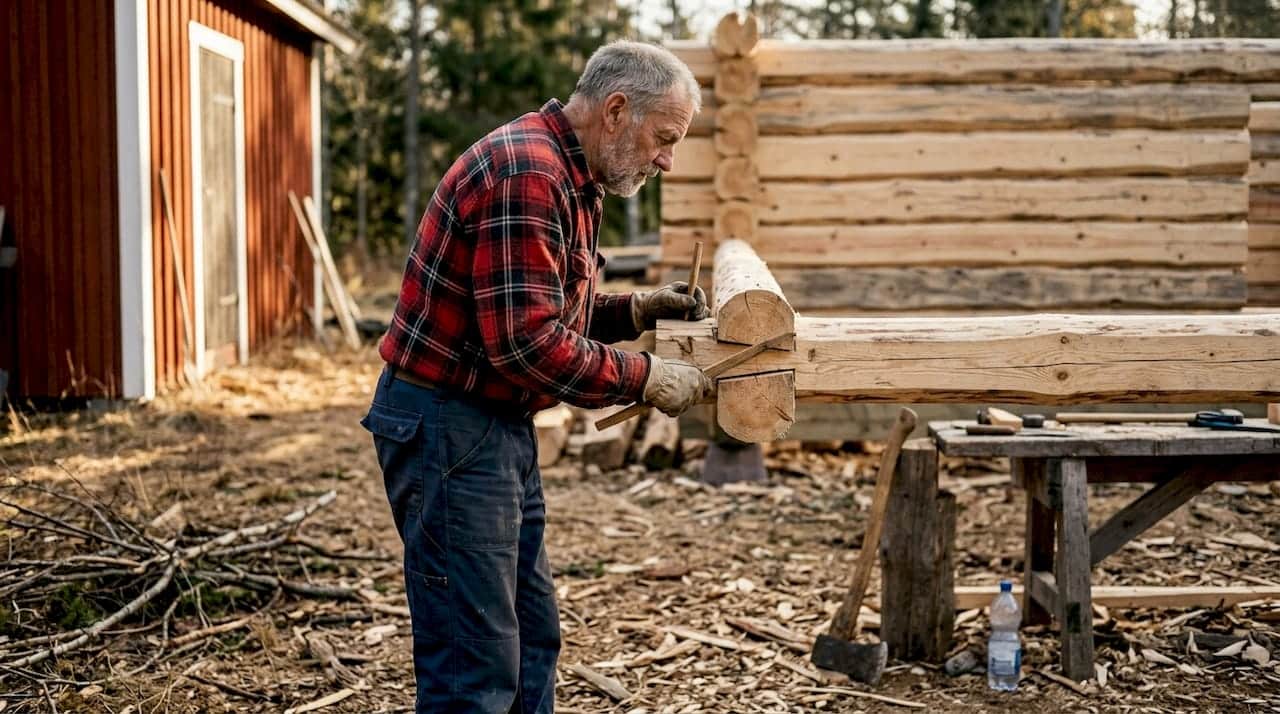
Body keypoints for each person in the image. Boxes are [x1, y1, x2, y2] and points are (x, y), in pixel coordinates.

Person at [361, 40, 710, 713]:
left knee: (530, 638)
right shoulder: (528, 173)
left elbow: (542, 307)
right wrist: (643, 377)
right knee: (475, 663)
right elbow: (525, 344)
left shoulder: (573, 173)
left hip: (489, 421)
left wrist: (636, 310)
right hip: (448, 425)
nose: (667, 160)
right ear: (616, 110)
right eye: (665, 138)